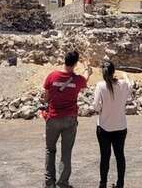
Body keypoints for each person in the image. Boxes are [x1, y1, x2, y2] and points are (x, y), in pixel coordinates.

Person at [42, 51, 92, 188]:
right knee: (66, 152)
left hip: (52, 118)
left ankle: (49, 182)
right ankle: (63, 183)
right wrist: (88, 69)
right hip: (69, 119)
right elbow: (85, 78)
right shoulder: (77, 80)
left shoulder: (52, 76)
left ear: (64, 60)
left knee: (50, 150)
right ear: (76, 64)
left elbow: (46, 97)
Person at [92, 61, 133, 188]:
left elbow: (96, 107)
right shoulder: (123, 84)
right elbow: (130, 84)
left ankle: (102, 183)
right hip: (120, 126)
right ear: (113, 71)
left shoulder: (100, 86)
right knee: (120, 155)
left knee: (105, 156)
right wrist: (125, 75)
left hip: (104, 127)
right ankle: (120, 183)